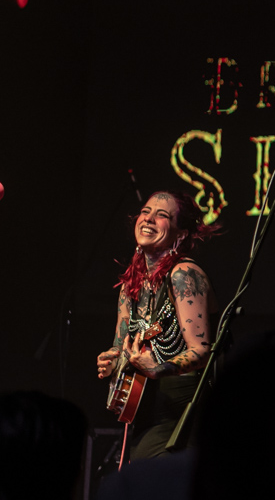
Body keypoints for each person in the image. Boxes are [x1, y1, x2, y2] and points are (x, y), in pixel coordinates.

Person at [96, 190, 219, 461]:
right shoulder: (131, 285)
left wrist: (157, 369)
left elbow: (201, 351)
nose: (149, 219)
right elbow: (120, 348)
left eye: (162, 215)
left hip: (181, 409)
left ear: (181, 234)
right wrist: (111, 362)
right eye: (145, 212)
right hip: (145, 408)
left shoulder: (184, 275)